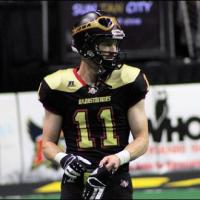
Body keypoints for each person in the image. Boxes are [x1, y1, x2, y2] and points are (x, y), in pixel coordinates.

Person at [38, 10, 149, 200]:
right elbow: (47, 143)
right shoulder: (58, 86)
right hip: (76, 183)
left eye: (115, 43)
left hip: (115, 181)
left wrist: (117, 158)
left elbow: (143, 139)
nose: (113, 50)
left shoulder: (129, 80)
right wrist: (64, 159)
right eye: (106, 43)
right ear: (86, 46)